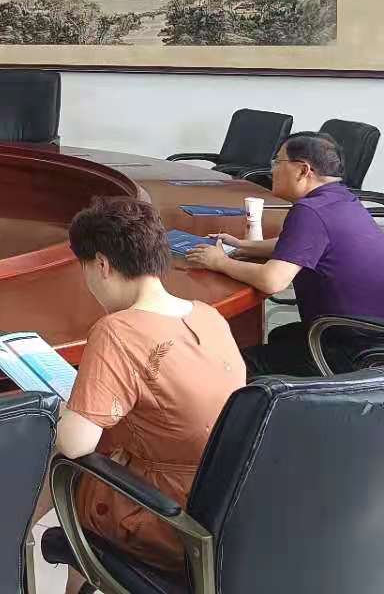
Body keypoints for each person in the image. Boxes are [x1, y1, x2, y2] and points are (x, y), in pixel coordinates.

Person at [50, 197, 243, 583]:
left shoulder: (118, 330)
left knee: (53, 465)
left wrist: (60, 410)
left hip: (168, 521)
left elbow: (74, 445)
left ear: (101, 265)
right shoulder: (208, 315)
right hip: (232, 508)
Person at [185, 131, 384, 376]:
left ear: (302, 170)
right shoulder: (341, 198)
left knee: (234, 367)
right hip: (369, 330)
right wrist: (244, 246)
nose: (272, 171)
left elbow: (272, 280)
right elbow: (301, 243)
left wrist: (219, 262)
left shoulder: (310, 210)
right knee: (281, 336)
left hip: (355, 347)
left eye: (278, 162)